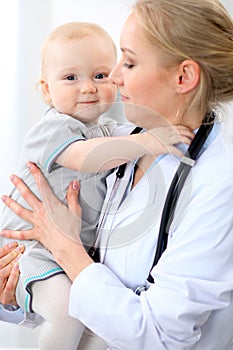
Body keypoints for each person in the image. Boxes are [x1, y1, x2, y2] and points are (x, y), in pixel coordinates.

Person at [1, 0, 233, 349]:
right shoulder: (123, 141)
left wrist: (68, 250)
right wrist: (13, 292)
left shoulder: (219, 182)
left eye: (129, 61)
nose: (113, 76)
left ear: (183, 76)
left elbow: (161, 336)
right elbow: (86, 295)